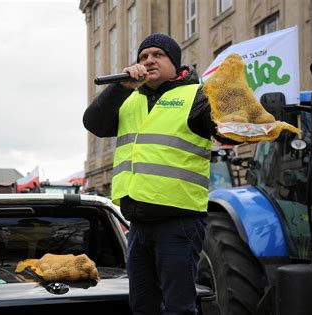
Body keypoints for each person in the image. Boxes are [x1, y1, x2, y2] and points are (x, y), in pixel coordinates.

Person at [83, 33, 238, 315]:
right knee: (142, 306)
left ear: (175, 64)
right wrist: (121, 88)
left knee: (178, 307)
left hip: (178, 222)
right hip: (139, 224)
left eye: (157, 55)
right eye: (143, 56)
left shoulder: (197, 96)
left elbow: (230, 131)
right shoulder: (129, 98)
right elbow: (93, 122)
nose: (149, 60)